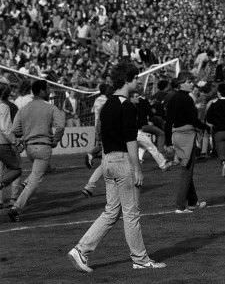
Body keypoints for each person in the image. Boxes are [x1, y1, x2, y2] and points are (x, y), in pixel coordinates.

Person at [67, 61, 166, 273]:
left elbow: (104, 135)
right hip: (122, 162)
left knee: (111, 212)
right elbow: (131, 140)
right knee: (131, 214)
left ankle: (81, 249)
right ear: (128, 79)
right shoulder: (127, 106)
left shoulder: (106, 105)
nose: (139, 81)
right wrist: (137, 168)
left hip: (108, 161)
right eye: (137, 78)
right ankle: (140, 259)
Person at [7, 80, 65, 222]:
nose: (50, 91)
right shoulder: (50, 107)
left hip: (29, 148)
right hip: (43, 146)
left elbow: (15, 130)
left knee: (41, 172)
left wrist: (24, 135)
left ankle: (26, 182)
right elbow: (61, 126)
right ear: (41, 91)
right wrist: (56, 140)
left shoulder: (24, 108)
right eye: (48, 89)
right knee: (36, 179)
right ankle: (16, 208)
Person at [166, 71, 209, 213]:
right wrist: (206, 127)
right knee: (187, 171)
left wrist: (167, 141)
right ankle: (180, 206)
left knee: (187, 169)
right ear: (181, 83)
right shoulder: (186, 99)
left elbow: (168, 121)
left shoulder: (172, 98)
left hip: (176, 135)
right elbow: (193, 119)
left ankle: (193, 202)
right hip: (186, 135)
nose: (192, 84)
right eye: (189, 81)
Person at [0, 82, 22, 196]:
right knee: (16, 169)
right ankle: (14, 197)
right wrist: (15, 141)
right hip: (3, 144)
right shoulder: (6, 106)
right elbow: (5, 128)